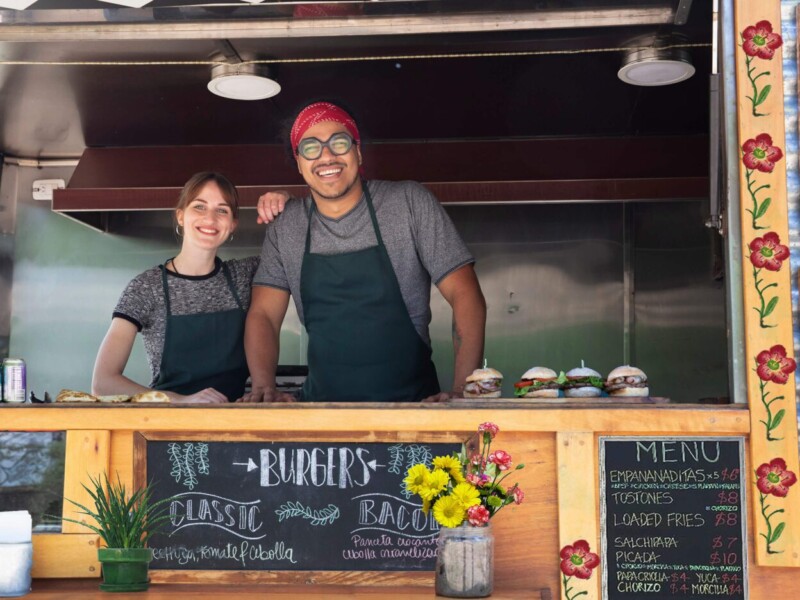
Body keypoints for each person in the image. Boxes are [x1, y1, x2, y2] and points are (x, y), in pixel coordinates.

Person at [241, 101, 486, 403]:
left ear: (358, 152)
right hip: (322, 415)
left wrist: (464, 391)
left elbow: (466, 294)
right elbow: (264, 314)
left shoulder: (408, 203)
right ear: (299, 161)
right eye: (311, 148)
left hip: (412, 411)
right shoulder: (286, 226)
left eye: (339, 142)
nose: (327, 156)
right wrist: (263, 386)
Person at [92, 172, 259, 404]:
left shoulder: (245, 275)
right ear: (180, 216)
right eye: (199, 207)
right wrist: (179, 400)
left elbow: (294, 253)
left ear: (232, 225)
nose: (210, 218)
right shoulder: (147, 287)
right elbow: (103, 383)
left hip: (234, 424)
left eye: (222, 210)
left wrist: (283, 200)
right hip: (167, 428)